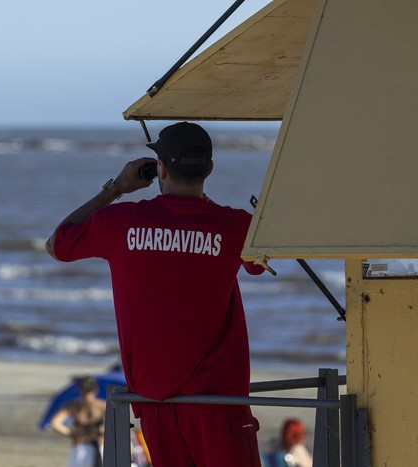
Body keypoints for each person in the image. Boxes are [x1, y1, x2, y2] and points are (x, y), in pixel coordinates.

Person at [46, 122, 265, 467]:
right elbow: (259, 263)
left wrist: (115, 188)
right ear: (209, 169)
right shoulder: (236, 226)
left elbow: (58, 244)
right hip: (218, 402)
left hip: (152, 401)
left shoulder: (121, 221)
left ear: (159, 168)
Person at [50, 376, 106, 467]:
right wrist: (104, 433)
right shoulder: (102, 406)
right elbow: (115, 423)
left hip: (80, 445)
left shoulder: (74, 406)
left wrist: (73, 434)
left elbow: (55, 423)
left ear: (80, 390)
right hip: (99, 444)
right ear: (96, 389)